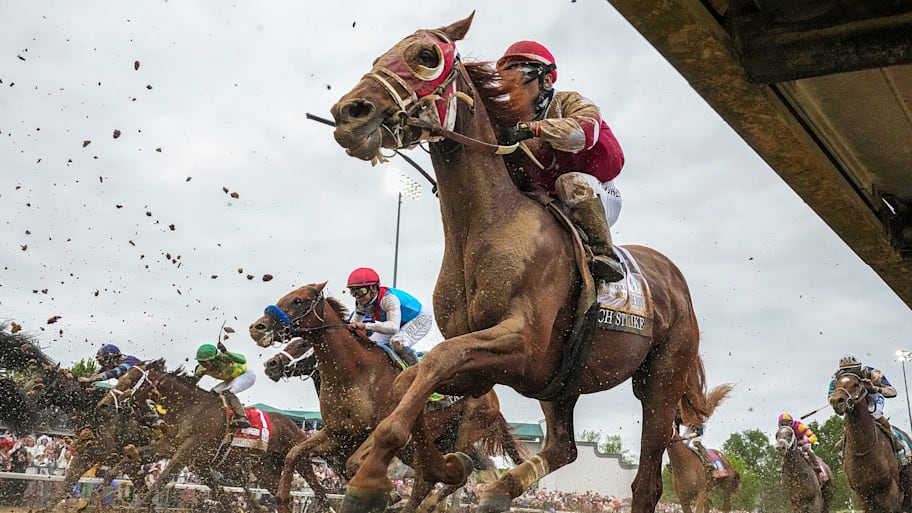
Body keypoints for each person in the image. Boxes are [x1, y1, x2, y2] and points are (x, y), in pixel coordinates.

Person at [496, 41, 626, 283]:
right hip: (549, 199)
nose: (508, 88)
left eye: (518, 75)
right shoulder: (509, 123)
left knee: (571, 182)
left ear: (546, 81)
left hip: (597, 192)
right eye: (503, 78)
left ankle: (604, 254)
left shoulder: (570, 102)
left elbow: (584, 133)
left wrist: (533, 129)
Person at [346, 267, 434, 366]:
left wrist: (365, 326)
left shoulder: (389, 299)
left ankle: (416, 371)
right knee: (370, 345)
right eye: (353, 292)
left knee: (397, 342)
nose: (357, 296)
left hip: (420, 318)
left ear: (373, 289)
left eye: (361, 291)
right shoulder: (361, 303)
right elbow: (353, 324)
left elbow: (393, 327)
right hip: (397, 322)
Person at [828, 354, 899, 446]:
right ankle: (844, 439)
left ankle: (894, 437)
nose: (848, 373)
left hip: (873, 395)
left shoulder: (873, 373)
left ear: (859, 368)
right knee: (850, 415)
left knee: (874, 412)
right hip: (853, 398)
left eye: (852, 370)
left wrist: (875, 388)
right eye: (844, 371)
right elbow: (830, 395)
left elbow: (892, 392)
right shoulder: (836, 377)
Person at [192, 342, 255, 429]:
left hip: (246, 375)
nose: (204, 366)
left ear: (214, 359)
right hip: (231, 379)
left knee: (229, 392)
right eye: (200, 362)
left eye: (205, 363)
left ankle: (242, 418)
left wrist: (226, 352)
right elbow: (192, 382)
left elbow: (243, 359)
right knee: (213, 393)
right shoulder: (201, 369)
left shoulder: (222, 357)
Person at [778, 413, 826, 480]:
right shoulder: (782, 431)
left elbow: (814, 437)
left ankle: (818, 469)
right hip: (792, 444)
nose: (785, 426)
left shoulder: (799, 426)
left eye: (787, 424)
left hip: (802, 441)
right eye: (783, 424)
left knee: (809, 451)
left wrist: (805, 441)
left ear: (791, 423)